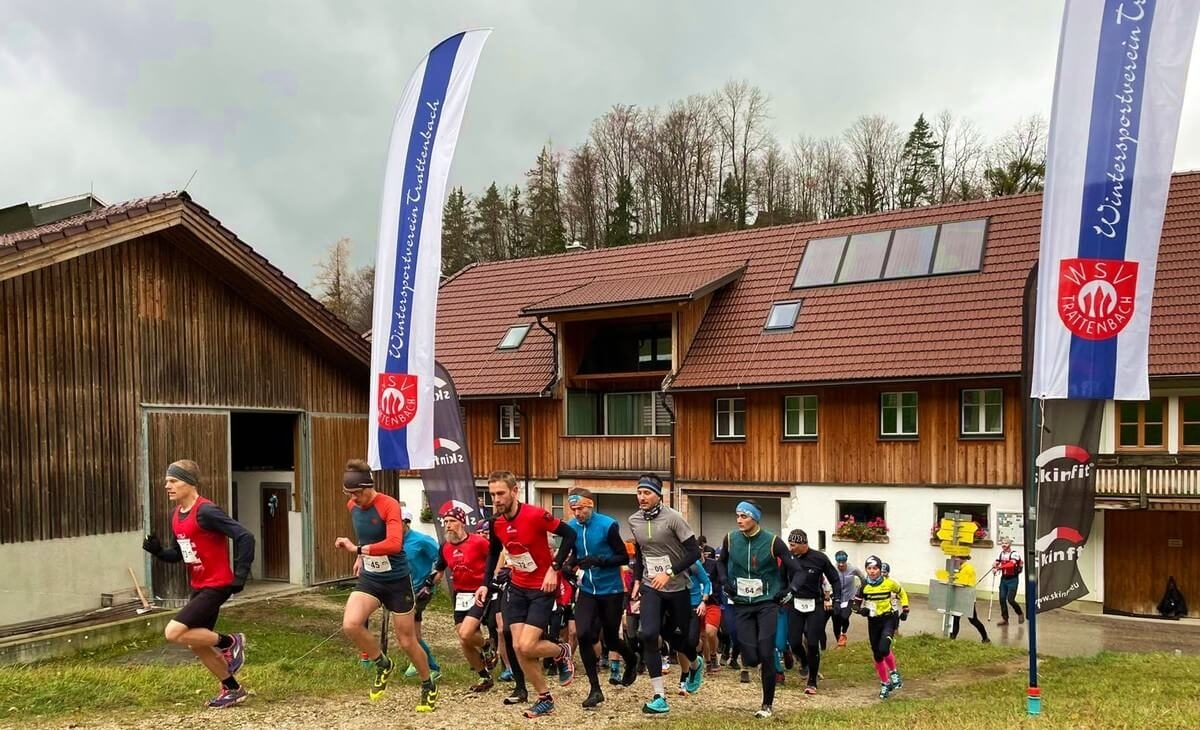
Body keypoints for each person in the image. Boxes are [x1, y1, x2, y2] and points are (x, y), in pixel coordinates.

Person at [142, 459, 255, 708]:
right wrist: (158, 551)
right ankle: (233, 689)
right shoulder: (176, 515)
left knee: (173, 632)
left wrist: (240, 574)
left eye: (173, 481)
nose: (167, 486)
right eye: (167, 481)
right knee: (196, 641)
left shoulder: (206, 511)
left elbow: (245, 536)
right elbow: (180, 554)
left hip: (217, 584)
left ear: (189, 483)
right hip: (199, 585)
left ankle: (230, 642)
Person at [333, 460, 437, 712]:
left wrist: (357, 550)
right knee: (351, 624)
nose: (353, 499)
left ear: (369, 487)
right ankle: (382, 663)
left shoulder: (388, 505)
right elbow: (365, 535)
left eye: (357, 493)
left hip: (397, 581)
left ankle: (428, 684)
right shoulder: (353, 506)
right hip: (371, 578)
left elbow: (393, 543)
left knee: (406, 641)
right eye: (348, 494)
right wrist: (360, 558)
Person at [474, 470, 577, 719]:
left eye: (500, 493)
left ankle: (561, 651)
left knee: (527, 645)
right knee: (519, 648)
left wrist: (555, 568)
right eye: (492, 494)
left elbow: (569, 535)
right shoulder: (495, 522)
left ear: (514, 491)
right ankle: (544, 698)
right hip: (517, 587)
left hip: (542, 588)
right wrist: (485, 584)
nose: (496, 499)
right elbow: (493, 553)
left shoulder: (535, 515)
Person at [628, 474, 704, 715]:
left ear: (658, 495)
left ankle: (695, 663)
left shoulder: (674, 518)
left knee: (683, 641)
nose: (642, 497)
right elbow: (640, 553)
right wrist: (637, 581)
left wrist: (669, 573)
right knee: (648, 635)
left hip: (677, 587)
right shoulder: (634, 520)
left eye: (647, 493)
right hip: (651, 586)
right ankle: (659, 696)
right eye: (639, 492)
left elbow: (694, 553)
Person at [565, 488, 640, 708]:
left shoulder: (608, 525)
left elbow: (622, 557)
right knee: (583, 634)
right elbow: (574, 554)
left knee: (611, 639)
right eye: (573, 509)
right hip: (588, 589)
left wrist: (599, 561)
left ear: (590, 506)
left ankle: (631, 659)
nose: (577, 513)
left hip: (611, 590)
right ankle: (595, 689)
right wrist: (569, 566)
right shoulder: (572, 527)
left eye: (580, 509)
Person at [718, 500, 791, 719]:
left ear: (755, 518)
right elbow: (721, 563)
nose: (739, 520)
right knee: (750, 657)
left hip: (767, 602)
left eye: (744, 516)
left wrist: (789, 589)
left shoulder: (773, 542)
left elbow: (795, 568)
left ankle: (767, 704)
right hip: (742, 604)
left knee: (766, 653)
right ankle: (760, 659)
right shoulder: (730, 539)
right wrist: (724, 580)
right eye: (737, 516)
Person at [431, 502, 495, 692]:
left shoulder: (478, 542)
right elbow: (439, 570)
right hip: (460, 595)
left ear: (462, 523)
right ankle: (484, 677)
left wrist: (491, 581)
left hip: (480, 592)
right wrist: (427, 583)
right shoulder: (445, 547)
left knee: (466, 633)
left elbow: (495, 558)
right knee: (463, 639)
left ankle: (486, 646)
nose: (448, 525)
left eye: (452, 521)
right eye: (445, 522)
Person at [784, 529, 840, 695]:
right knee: (794, 642)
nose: (790, 548)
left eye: (793, 545)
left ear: (803, 543)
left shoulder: (819, 558)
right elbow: (781, 579)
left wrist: (836, 600)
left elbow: (834, 579)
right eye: (789, 545)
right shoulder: (788, 558)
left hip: (815, 604)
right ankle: (804, 662)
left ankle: (812, 681)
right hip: (795, 603)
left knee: (813, 643)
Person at [853, 556, 909, 700]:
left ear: (879, 569)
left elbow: (901, 592)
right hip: (873, 622)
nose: (872, 571)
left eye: (875, 568)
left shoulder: (889, 583)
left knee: (884, 648)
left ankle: (894, 672)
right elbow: (854, 606)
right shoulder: (863, 586)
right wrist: (861, 611)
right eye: (869, 568)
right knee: (877, 654)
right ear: (866, 569)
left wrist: (905, 609)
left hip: (888, 619)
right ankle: (885, 683)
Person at [405, 507, 443, 681]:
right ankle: (418, 660)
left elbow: (441, 558)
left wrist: (430, 581)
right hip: (402, 591)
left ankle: (432, 666)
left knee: (411, 632)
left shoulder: (421, 540)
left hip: (420, 590)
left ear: (406, 523)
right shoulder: (393, 541)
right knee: (409, 633)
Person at [677, 559, 711, 696]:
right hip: (676, 605)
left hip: (694, 605)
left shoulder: (694, 563)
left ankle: (696, 664)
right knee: (679, 643)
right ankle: (684, 676)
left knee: (691, 641)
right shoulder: (670, 561)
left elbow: (707, 582)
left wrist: (704, 601)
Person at [949, 554, 990, 644]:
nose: (954, 560)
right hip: (959, 596)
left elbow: (965, 583)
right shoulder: (959, 568)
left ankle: (985, 638)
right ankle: (952, 639)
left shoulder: (968, 568)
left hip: (967, 597)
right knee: (955, 618)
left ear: (962, 558)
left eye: (956, 558)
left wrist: (954, 579)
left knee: (973, 620)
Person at [831, 551, 865, 647]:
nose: (841, 565)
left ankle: (843, 633)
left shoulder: (853, 569)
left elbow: (863, 578)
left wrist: (860, 591)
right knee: (836, 620)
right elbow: (826, 580)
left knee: (845, 617)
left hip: (850, 597)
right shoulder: (832, 569)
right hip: (836, 598)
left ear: (846, 561)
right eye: (839, 562)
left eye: (843, 562)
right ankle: (839, 641)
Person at [994, 538, 1025, 626]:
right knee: (1002, 599)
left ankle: (1020, 613)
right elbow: (997, 561)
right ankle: (1005, 619)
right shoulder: (1001, 554)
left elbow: (1011, 564)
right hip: (1004, 579)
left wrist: (999, 568)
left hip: (1013, 579)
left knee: (1011, 599)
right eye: (1002, 543)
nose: (1004, 545)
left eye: (1006, 543)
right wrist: (994, 565)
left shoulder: (1014, 554)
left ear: (1010, 544)